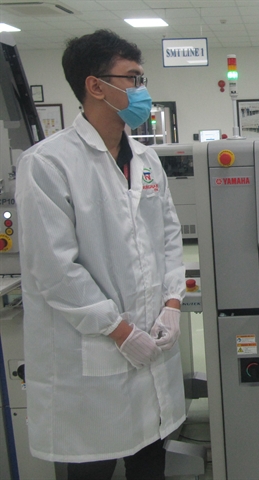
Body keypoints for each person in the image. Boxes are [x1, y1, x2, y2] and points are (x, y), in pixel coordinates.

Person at [15, 29, 186, 480]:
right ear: (95, 86)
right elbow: (54, 269)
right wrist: (119, 330)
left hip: (153, 347)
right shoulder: (47, 164)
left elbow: (169, 236)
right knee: (92, 468)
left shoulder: (147, 161)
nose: (142, 90)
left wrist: (171, 303)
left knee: (150, 463)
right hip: (93, 360)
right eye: (132, 78)